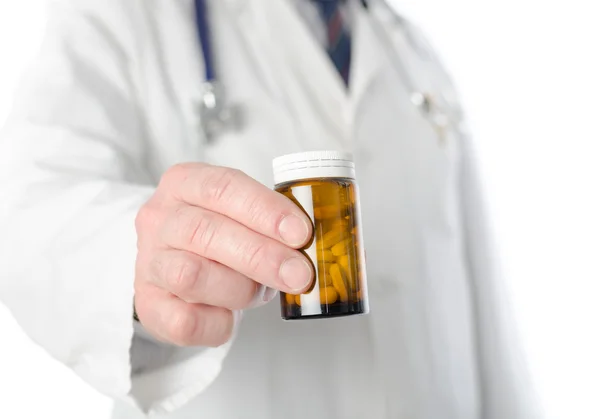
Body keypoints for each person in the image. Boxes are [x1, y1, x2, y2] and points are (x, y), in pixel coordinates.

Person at [0, 0, 539, 418]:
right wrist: (140, 258)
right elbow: (29, 208)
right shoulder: (122, 18)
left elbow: (480, 295)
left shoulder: (404, 46)